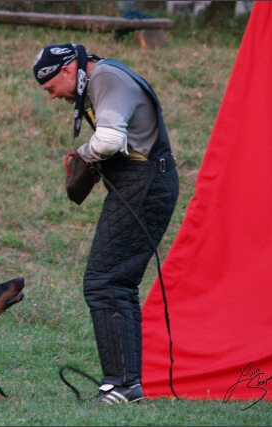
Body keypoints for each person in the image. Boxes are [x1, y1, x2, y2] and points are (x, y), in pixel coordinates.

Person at [32, 43, 179, 405]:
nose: (52, 96)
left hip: (144, 185)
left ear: (68, 70)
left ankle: (121, 386)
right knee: (116, 283)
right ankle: (125, 385)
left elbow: (111, 139)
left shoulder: (106, 79)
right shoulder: (102, 77)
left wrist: (83, 155)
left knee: (105, 282)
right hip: (146, 182)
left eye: (51, 87)